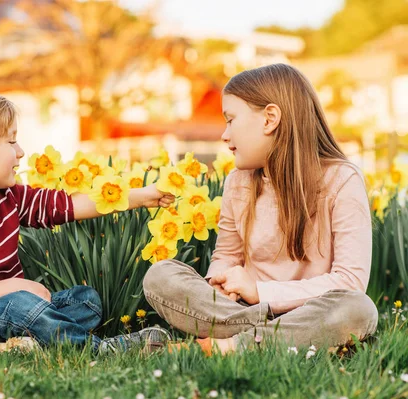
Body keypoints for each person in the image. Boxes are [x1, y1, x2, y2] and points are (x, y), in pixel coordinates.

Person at [0, 90, 174, 355]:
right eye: (10, 142)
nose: (20, 152)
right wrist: (17, 286)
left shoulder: (8, 198)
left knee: (84, 301)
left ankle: (25, 343)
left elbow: (71, 205)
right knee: (19, 305)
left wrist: (141, 197)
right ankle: (99, 350)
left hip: (6, 311)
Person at [142, 63, 378, 355]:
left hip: (309, 308)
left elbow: (349, 282)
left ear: (270, 119)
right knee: (160, 275)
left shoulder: (342, 180)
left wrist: (261, 292)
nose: (224, 136)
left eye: (231, 120)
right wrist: (219, 283)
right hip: (241, 309)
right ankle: (281, 338)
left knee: (356, 308)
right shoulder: (238, 182)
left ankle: (229, 345)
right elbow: (227, 256)